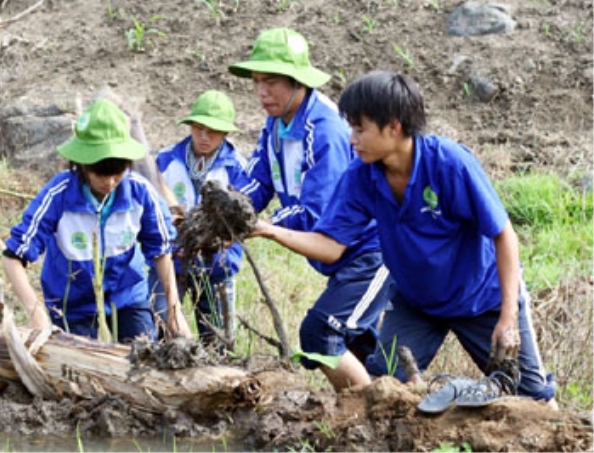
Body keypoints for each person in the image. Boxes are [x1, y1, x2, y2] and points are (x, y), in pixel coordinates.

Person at [252, 70, 557, 408]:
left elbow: (504, 235)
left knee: (534, 399)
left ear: (393, 126)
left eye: (360, 129)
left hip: (481, 297)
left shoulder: (449, 164)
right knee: (386, 388)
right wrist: (269, 230)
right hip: (417, 301)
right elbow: (330, 246)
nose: (351, 139)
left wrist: (507, 318)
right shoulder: (361, 176)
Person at [229, 28, 392, 390]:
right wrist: (227, 213)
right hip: (341, 258)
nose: (261, 92)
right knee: (359, 347)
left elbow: (316, 212)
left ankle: (365, 414)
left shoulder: (325, 129)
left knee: (322, 333)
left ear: (298, 81)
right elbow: (257, 181)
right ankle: (385, 408)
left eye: (270, 82)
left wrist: (259, 224)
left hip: (371, 254)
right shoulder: (275, 124)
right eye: (256, 82)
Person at [2, 99, 192, 343]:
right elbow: (12, 257)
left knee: (143, 358)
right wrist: (36, 315)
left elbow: (161, 251)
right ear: (82, 164)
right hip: (72, 306)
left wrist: (174, 314)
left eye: (117, 172)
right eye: (100, 173)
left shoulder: (140, 193)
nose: (110, 182)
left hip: (128, 297)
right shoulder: (58, 195)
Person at [148, 90, 249, 347]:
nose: (204, 137)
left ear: (225, 133)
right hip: (172, 263)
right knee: (160, 329)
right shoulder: (166, 160)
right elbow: (153, 208)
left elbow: (243, 219)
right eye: (198, 128)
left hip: (218, 265)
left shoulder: (238, 168)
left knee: (218, 339)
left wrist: (219, 242)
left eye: (212, 131)